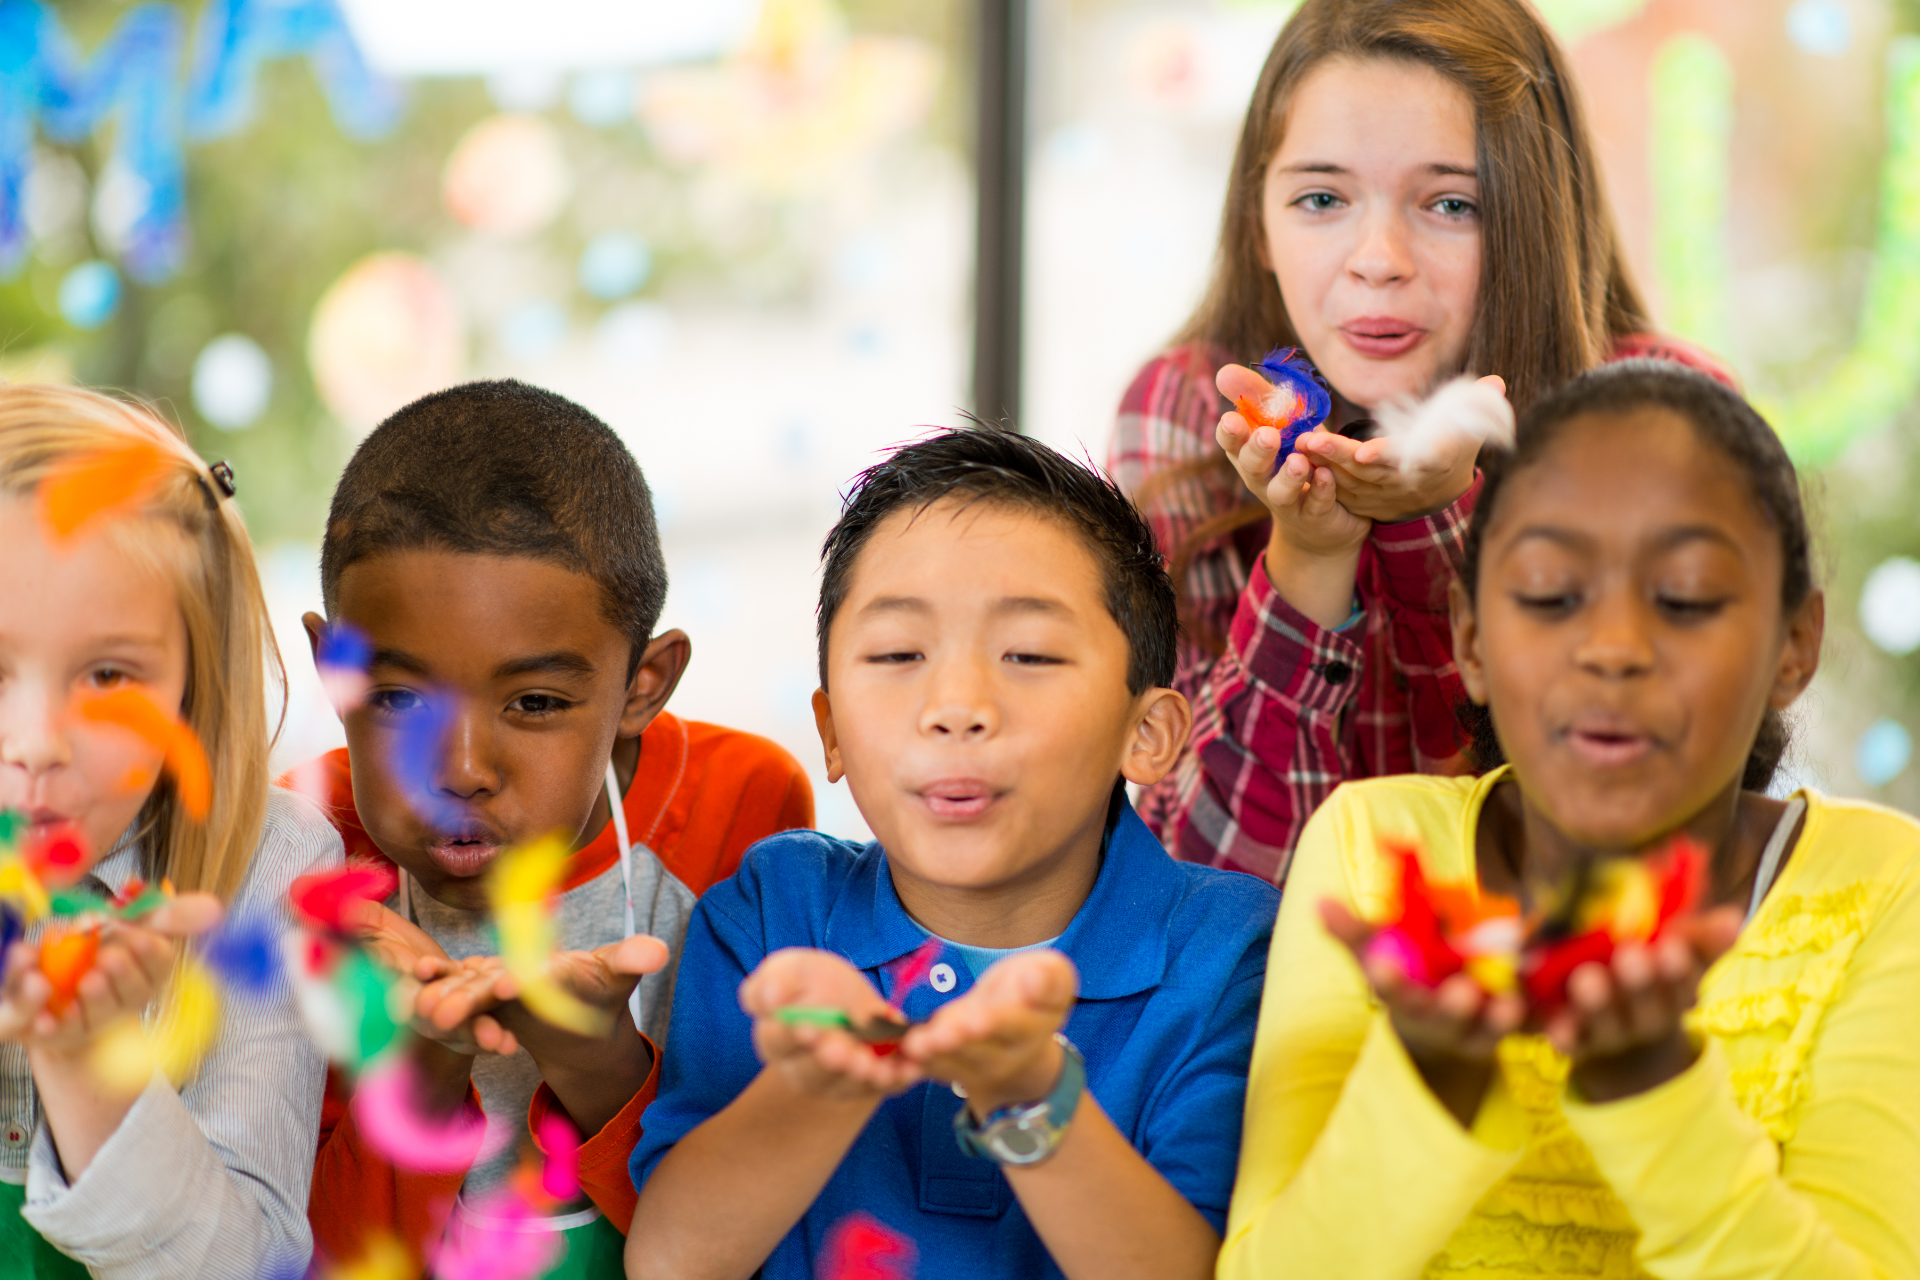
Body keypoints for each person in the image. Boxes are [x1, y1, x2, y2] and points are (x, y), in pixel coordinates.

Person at [1221, 361, 1920, 1277]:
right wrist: (1431, 1079)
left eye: (1685, 600)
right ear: (1471, 640)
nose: (1613, 648)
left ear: (1794, 647)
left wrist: (1653, 1086)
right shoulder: (1373, 851)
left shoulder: (1881, 886)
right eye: (1551, 596)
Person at [626, 428, 1279, 1280]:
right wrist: (823, 1084)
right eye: (899, 655)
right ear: (831, 735)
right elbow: (672, 1263)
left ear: (1145, 733)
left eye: (1030, 656)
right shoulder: (772, 913)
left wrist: (1029, 1091)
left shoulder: (1229, 951)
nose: (957, 706)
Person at [1111, 0, 1736, 885]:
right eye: (1322, 198)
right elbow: (1204, 879)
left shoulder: (1662, 417)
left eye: (1450, 204)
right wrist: (1308, 554)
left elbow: (1607, 840)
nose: (1378, 258)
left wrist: (1431, 528)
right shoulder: (1186, 411)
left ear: (1533, 218)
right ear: (1259, 221)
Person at [296, 380, 814, 1277]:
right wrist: (424, 1056)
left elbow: (754, 1233)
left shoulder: (745, 814)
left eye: (535, 702)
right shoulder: (305, 849)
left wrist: (599, 1062)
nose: (459, 769)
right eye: (397, 698)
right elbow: (309, 1251)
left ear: (643, 686)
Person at [0, 384, 343, 1278]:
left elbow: (249, 1262)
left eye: (109, 675)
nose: (37, 743)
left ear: (192, 683)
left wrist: (83, 1065)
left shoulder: (275, 865)